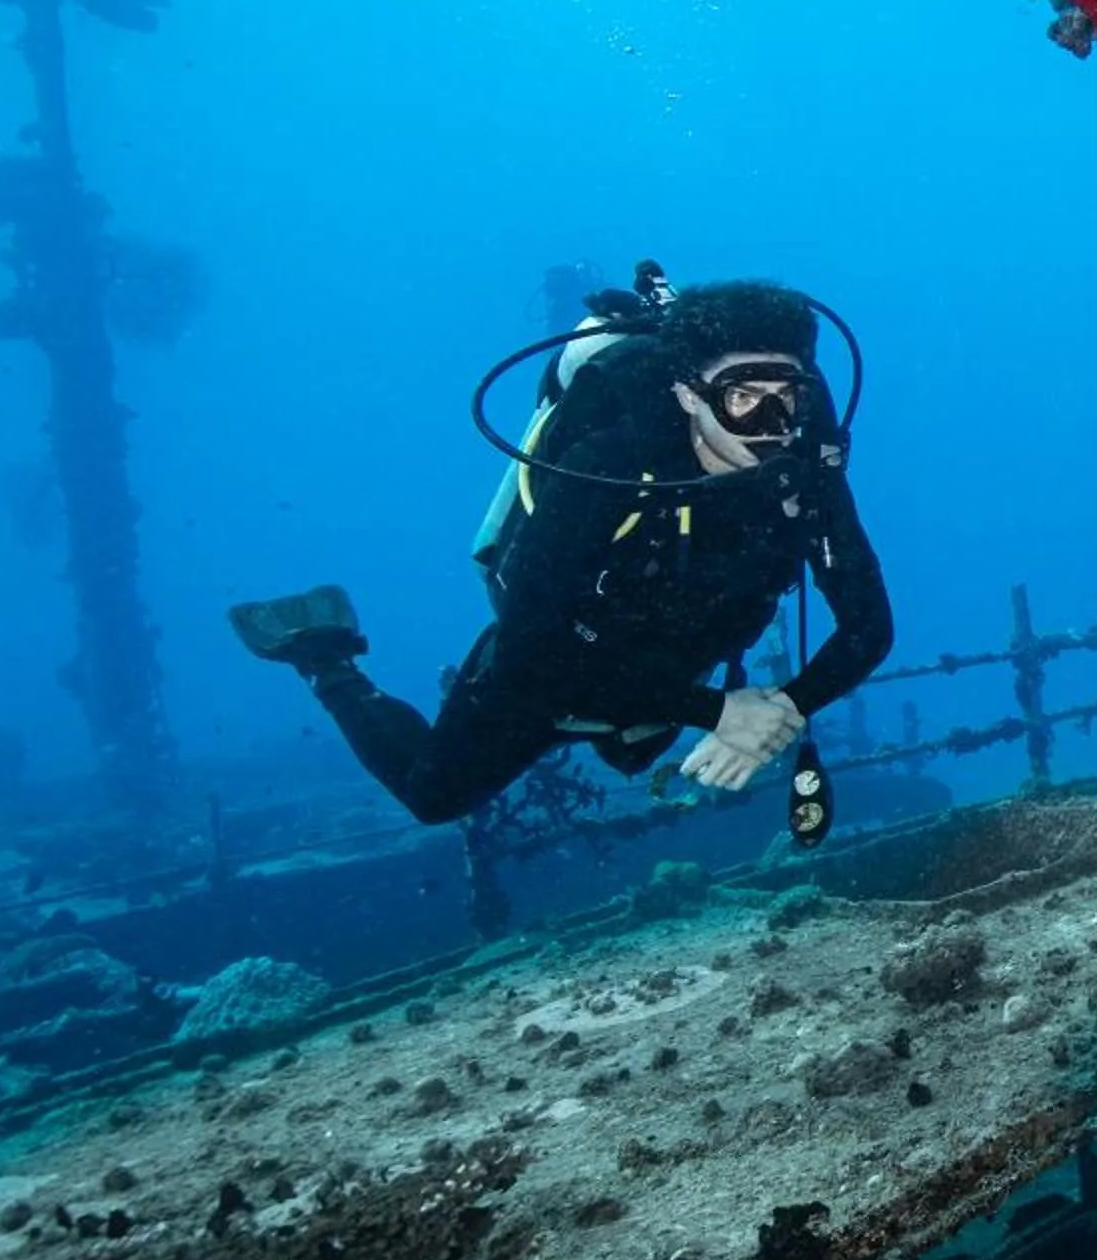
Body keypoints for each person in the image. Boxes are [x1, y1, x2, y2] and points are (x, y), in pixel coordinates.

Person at [228, 278, 892, 934]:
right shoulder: (606, 465)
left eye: (789, 398)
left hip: (675, 662)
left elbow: (868, 627)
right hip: (559, 661)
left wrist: (785, 707)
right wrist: (720, 712)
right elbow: (533, 651)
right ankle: (326, 657)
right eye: (743, 398)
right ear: (689, 394)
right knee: (434, 794)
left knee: (634, 752)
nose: (773, 427)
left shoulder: (804, 472)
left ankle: (642, 721)